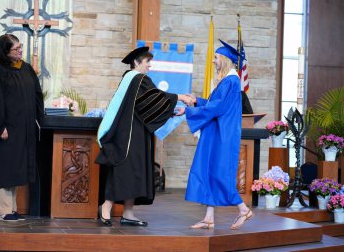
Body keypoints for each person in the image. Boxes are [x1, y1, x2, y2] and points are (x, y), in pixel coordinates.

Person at [96, 46, 192, 226]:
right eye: (148, 62)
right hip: (129, 135)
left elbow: (144, 106)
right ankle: (106, 207)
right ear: (136, 62)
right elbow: (153, 97)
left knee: (135, 171)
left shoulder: (129, 80)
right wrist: (180, 97)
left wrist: (169, 112)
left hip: (135, 132)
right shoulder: (139, 79)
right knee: (124, 170)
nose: (150, 66)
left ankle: (128, 213)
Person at [177, 40, 253, 230]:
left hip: (222, 135)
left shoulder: (231, 81)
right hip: (215, 133)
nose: (213, 61)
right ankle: (209, 217)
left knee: (220, 174)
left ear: (226, 60)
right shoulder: (227, 81)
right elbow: (214, 103)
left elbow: (217, 107)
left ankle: (243, 210)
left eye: (216, 57)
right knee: (210, 172)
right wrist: (196, 101)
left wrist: (188, 111)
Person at [0, 34, 44, 221]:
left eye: (20, 47)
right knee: (2, 166)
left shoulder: (26, 69)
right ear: (5, 52)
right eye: (16, 48)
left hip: (22, 129)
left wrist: (38, 118)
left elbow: (37, 95)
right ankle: (1, 210)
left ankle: (11, 208)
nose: (21, 50)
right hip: (4, 130)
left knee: (15, 167)